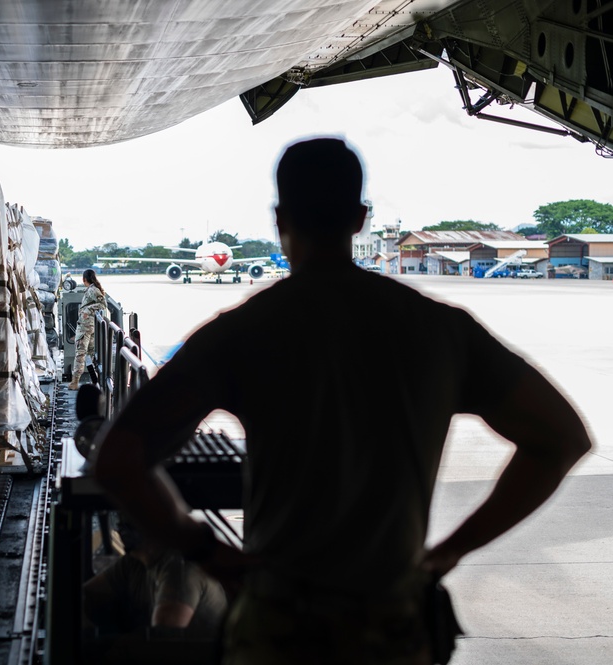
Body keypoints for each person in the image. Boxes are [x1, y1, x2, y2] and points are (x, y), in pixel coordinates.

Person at [93, 137, 591, 664]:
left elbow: (119, 459)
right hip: (392, 624)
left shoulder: (243, 333)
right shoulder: (440, 330)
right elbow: (561, 439)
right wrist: (448, 553)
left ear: (280, 217)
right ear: (360, 218)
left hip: (279, 625)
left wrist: (208, 554)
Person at [83, 518, 228, 636]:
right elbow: (85, 597)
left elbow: (163, 638)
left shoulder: (180, 568)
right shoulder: (134, 563)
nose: (122, 526)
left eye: (132, 516)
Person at [70, 268, 108, 390]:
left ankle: (75, 382)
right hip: (90, 327)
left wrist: (87, 310)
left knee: (80, 354)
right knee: (91, 355)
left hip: (85, 327)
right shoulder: (93, 289)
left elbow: (103, 305)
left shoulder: (92, 290)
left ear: (84, 279)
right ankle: (95, 380)